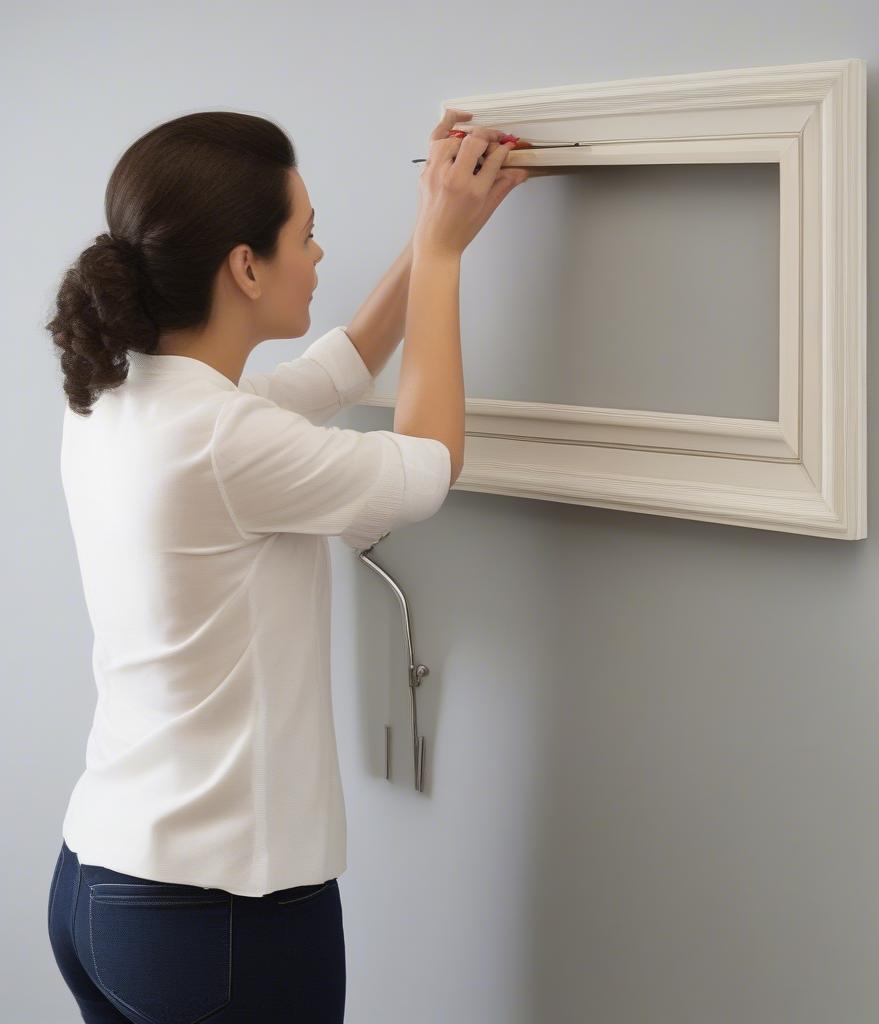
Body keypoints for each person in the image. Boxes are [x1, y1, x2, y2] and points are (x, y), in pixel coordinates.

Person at [43, 108, 528, 1023]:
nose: (318, 253)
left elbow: (336, 369)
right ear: (244, 267)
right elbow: (427, 464)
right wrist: (449, 262)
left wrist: (436, 227)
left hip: (98, 891)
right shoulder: (224, 439)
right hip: (217, 916)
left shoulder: (120, 394)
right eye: (305, 235)